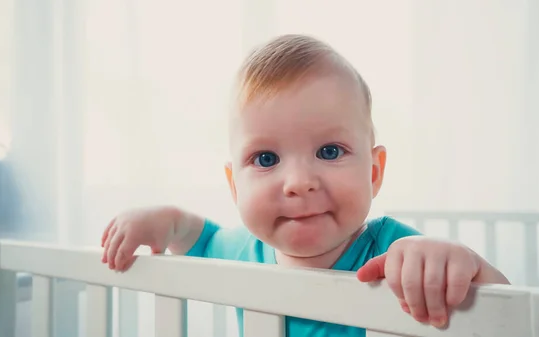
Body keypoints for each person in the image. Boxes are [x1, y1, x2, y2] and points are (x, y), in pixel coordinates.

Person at [100, 34, 510, 336]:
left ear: (374, 171)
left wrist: (462, 265)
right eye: (266, 159)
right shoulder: (242, 252)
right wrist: (164, 221)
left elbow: (511, 315)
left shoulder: (395, 256)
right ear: (234, 186)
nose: (298, 183)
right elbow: (199, 239)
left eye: (330, 151)